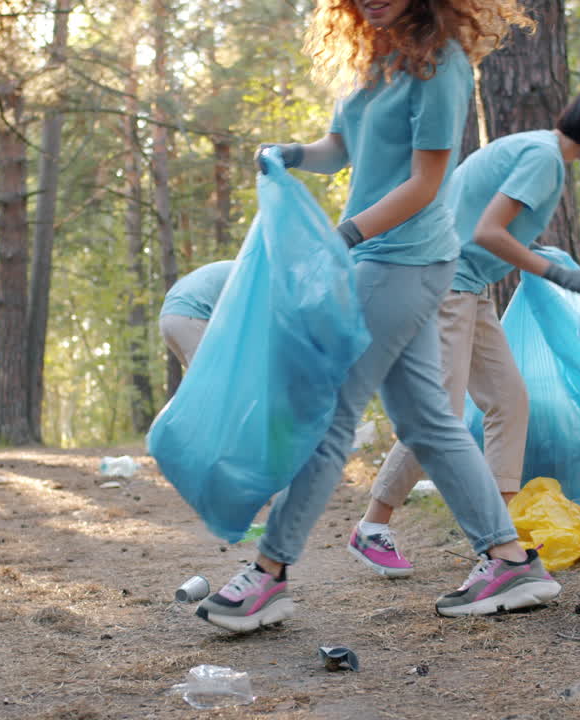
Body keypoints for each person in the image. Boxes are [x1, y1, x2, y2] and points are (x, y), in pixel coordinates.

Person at [194, 0, 552, 632]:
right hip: (377, 256)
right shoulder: (370, 59)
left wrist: (346, 235)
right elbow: (340, 149)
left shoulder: (442, 66)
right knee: (428, 420)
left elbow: (423, 185)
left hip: (405, 260)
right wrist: (292, 153)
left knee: (330, 414)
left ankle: (269, 575)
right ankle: (509, 558)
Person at [347, 78, 580, 579]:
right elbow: (488, 231)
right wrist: (561, 273)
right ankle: (373, 526)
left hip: (467, 285)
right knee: (441, 417)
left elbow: (484, 226)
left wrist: (547, 259)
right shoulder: (543, 159)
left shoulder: (535, 150)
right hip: (444, 282)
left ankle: (503, 535)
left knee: (509, 400)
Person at [158, 260, 235, 369]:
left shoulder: (238, 267)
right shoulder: (251, 275)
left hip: (167, 317)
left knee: (197, 377)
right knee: (212, 374)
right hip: (190, 315)